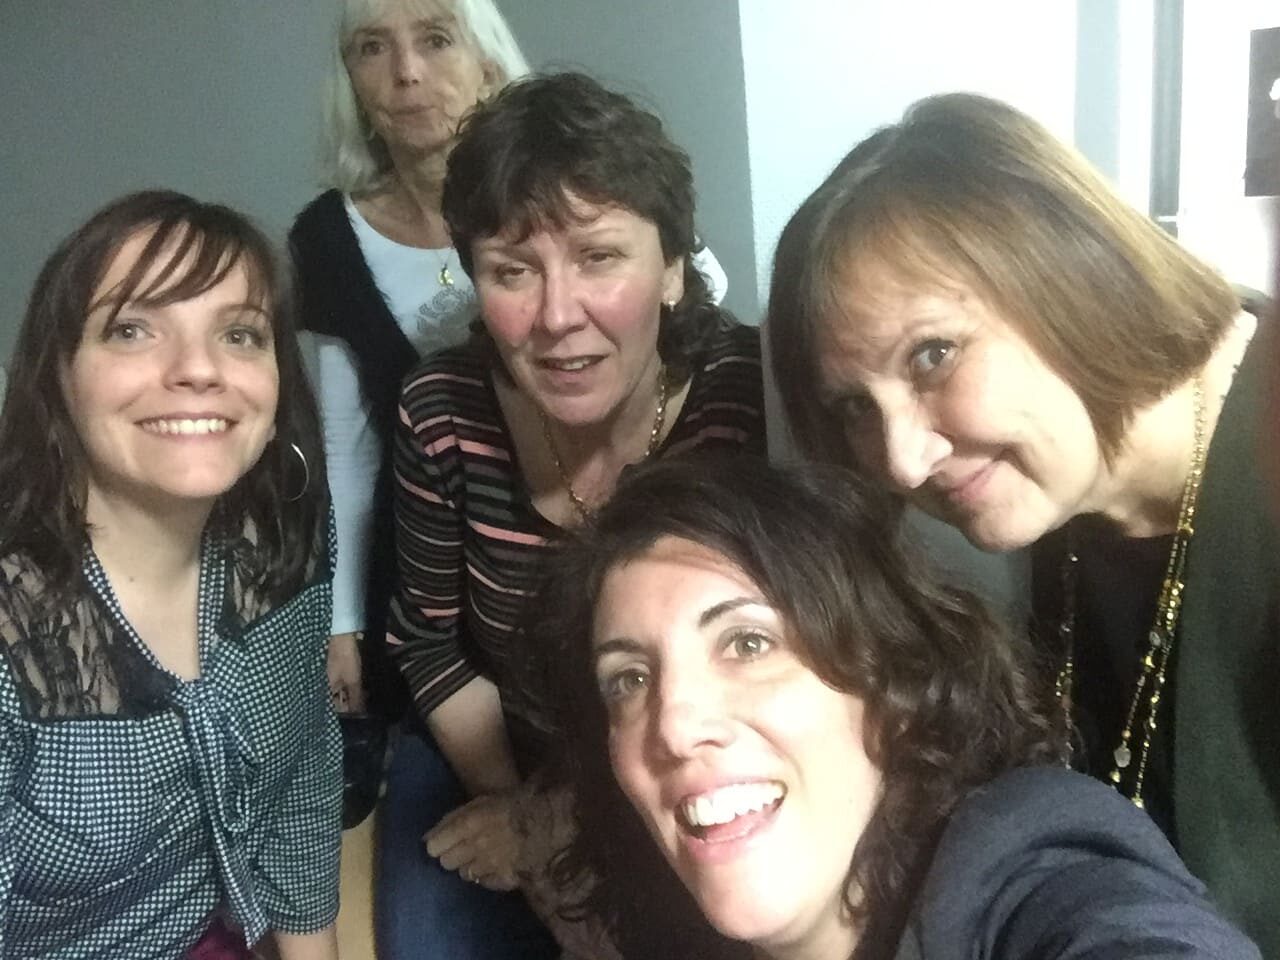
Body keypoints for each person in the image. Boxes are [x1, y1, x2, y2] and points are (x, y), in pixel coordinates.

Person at [765, 92, 1279, 955]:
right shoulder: (1051, 494)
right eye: (855, 407)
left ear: (1066, 267)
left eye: (933, 355)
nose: (901, 460)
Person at [517, 456, 1260, 960]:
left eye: (748, 643)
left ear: (891, 686)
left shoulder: (1016, 861)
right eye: (629, 680)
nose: (674, 726)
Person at [386, 71, 766, 956]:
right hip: (506, 760)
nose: (556, 317)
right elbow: (428, 641)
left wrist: (565, 820)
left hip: (708, 758)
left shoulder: (752, 401)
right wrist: (519, 810)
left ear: (672, 269)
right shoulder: (441, 412)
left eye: (599, 257)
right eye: (512, 271)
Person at [0, 191, 340, 959]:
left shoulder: (282, 538)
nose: (198, 370)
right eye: (132, 329)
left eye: (239, 334)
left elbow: (304, 767)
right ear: (58, 377)